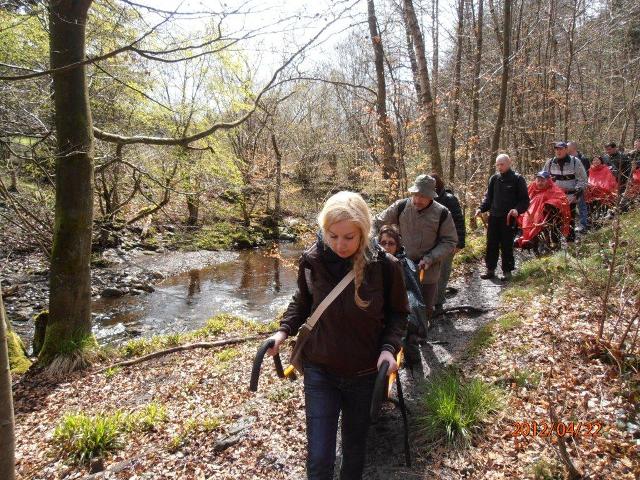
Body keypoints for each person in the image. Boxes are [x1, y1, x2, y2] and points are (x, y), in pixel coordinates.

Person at [268, 191, 409, 480]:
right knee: (319, 459)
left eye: (348, 237)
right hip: (321, 370)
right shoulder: (312, 260)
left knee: (354, 455)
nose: (339, 245)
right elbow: (303, 301)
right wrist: (283, 331)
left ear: (363, 232)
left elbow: (398, 313)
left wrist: (388, 348)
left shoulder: (385, 267)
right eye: (332, 236)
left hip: (365, 373)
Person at [373, 174, 458, 326]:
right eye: (416, 195)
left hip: (428, 268)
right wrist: (372, 243)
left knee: (425, 307)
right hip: (402, 266)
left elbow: (450, 241)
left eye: (423, 196)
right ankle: (404, 337)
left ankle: (422, 334)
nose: (418, 200)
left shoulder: (442, 213)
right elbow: (377, 222)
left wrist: (431, 258)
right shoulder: (401, 206)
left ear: (431, 196)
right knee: (401, 303)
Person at [377, 224, 427, 365]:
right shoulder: (374, 263)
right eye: (383, 243)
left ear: (397, 245)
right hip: (383, 310)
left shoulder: (405, 264)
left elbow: (414, 291)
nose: (386, 247)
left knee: (408, 340)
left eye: (391, 243)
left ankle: (414, 366)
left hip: (404, 310)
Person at [475, 154, 529, 281]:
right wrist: (481, 209)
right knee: (491, 244)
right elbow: (488, 199)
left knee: (507, 244)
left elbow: (525, 200)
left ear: (509, 163)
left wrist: (517, 210)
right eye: (497, 164)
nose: (499, 167)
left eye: (502, 164)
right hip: (494, 216)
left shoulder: (518, 179)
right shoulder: (494, 179)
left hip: (509, 218)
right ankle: (490, 269)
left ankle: (507, 271)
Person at [432, 173, 465, 316]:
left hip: (447, 243)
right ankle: (429, 303)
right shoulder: (426, 200)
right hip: (431, 244)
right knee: (431, 275)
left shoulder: (449, 200)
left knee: (443, 273)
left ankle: (438, 303)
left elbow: (459, 221)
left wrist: (459, 243)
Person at [543, 141, 587, 242]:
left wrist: (578, 191)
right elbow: (544, 178)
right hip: (554, 198)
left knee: (569, 219)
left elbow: (583, 179)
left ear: (566, 150)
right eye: (556, 149)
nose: (558, 151)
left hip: (571, 197)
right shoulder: (549, 163)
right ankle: (556, 243)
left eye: (561, 149)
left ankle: (570, 241)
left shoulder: (575, 162)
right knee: (555, 220)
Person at [515, 171, 571, 251]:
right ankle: (522, 239)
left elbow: (562, 200)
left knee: (537, 221)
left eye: (542, 181)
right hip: (530, 211)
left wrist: (549, 204)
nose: (539, 183)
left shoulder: (554, 190)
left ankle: (530, 240)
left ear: (548, 181)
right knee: (521, 217)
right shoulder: (533, 187)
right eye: (538, 180)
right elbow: (524, 196)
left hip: (545, 214)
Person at [585, 155, 618, 225]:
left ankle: (605, 213)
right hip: (593, 189)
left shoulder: (605, 169)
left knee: (601, 192)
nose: (596, 161)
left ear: (601, 161)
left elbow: (608, 179)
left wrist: (601, 186)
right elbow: (590, 180)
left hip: (604, 189)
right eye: (594, 160)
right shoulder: (590, 170)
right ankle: (591, 215)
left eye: (597, 160)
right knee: (587, 192)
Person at [567, 141, 590, 232]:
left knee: (581, 205)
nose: (565, 149)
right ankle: (570, 226)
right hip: (569, 186)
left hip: (579, 186)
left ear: (573, 147)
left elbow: (586, 173)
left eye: (567, 147)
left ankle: (583, 225)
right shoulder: (567, 159)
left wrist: (582, 185)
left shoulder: (583, 159)